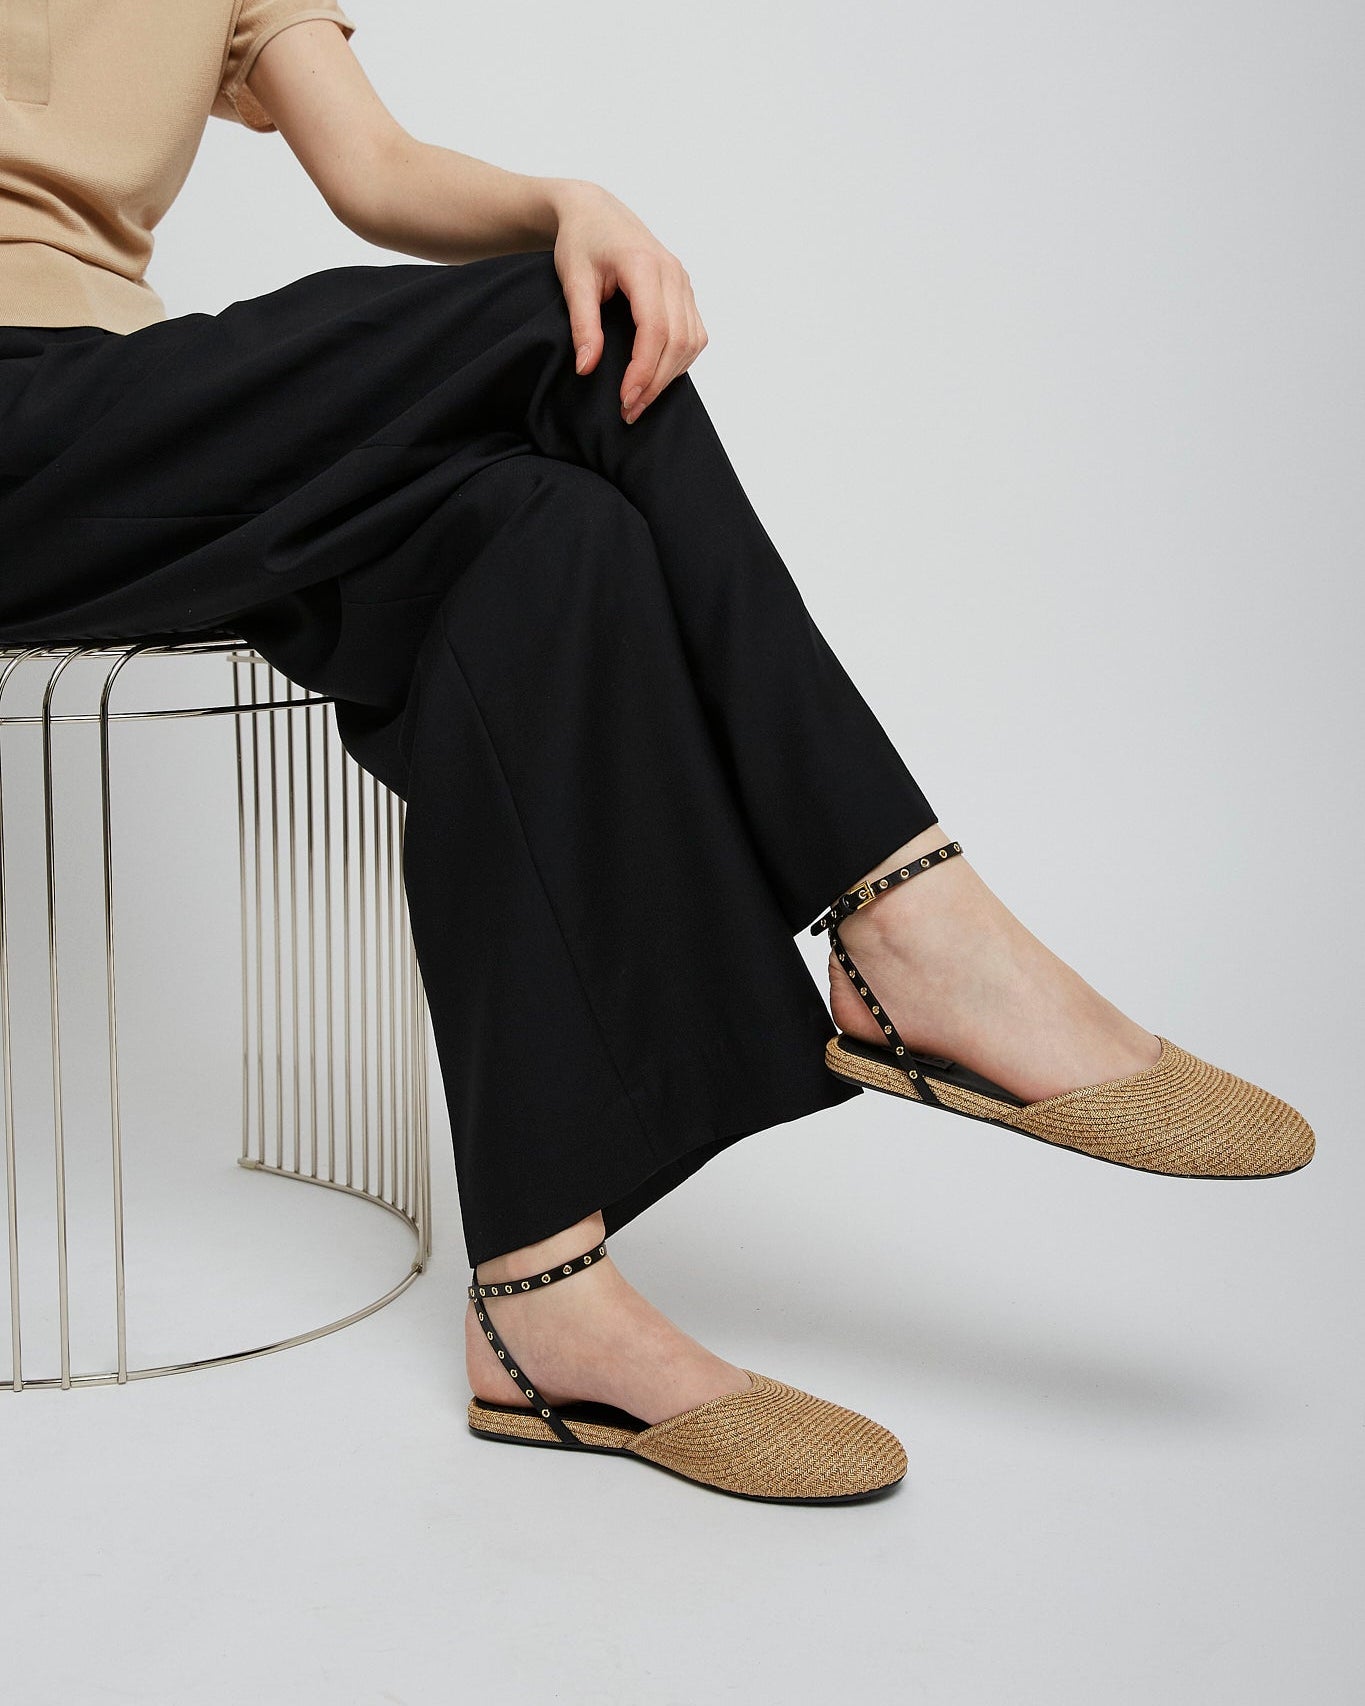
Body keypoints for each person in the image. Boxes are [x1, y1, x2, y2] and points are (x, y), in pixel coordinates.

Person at [0, 2, 1314, 1505]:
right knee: (529, 330)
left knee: (546, 537)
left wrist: (569, 201)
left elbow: (373, 169)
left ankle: (543, 1291)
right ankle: (906, 915)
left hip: (132, 432)